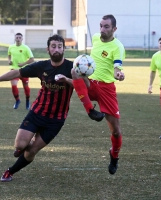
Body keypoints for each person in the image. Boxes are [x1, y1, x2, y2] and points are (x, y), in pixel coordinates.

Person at [0, 34, 102, 182]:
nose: (56, 49)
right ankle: (24, 144)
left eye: (59, 46)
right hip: (37, 113)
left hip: (56, 120)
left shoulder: (74, 67)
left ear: (64, 49)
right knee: (19, 145)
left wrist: (68, 79)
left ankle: (10, 171)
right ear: (48, 49)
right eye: (53, 46)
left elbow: (86, 87)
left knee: (31, 151)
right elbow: (17, 72)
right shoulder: (41, 66)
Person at [71, 14, 125, 175]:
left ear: (114, 29)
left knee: (115, 130)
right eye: (101, 26)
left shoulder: (118, 47)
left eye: (106, 27)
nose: (102, 29)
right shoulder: (95, 38)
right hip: (91, 82)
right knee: (75, 71)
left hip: (107, 88)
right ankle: (90, 110)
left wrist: (118, 74)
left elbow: (117, 68)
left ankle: (114, 155)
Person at [8, 32, 35, 110]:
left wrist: (23, 64)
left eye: (20, 37)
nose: (18, 39)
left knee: (25, 86)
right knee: (13, 85)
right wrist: (9, 60)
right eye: (17, 37)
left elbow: (32, 59)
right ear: (15, 38)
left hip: (24, 70)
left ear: (22, 39)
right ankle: (17, 100)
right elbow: (9, 55)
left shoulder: (26, 48)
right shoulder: (11, 47)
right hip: (14, 69)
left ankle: (27, 101)